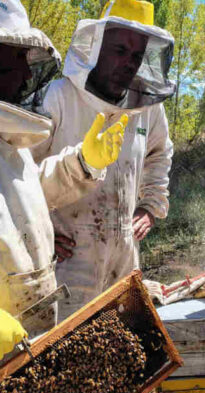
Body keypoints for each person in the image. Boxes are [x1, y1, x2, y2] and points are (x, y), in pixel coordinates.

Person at [31, 0, 176, 321]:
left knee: (119, 345)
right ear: (96, 46)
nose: (128, 62)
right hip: (63, 259)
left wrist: (150, 205)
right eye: (119, 49)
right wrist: (38, 231)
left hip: (122, 256)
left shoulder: (149, 108)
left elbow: (160, 153)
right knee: (58, 349)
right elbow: (20, 176)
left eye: (137, 55)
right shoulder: (56, 97)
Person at [0, 0, 125, 355]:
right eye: (15, 61)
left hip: (29, 350)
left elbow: (25, 196)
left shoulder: (8, 137)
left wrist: (82, 164)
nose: (26, 76)